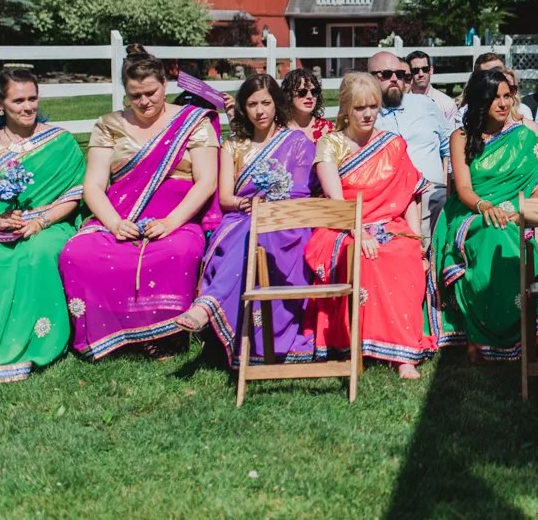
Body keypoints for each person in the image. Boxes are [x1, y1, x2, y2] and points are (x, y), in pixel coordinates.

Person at [60, 46, 220, 360]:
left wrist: (172, 222)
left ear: (165, 85)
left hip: (176, 218)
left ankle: (165, 336)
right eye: (136, 96)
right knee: (76, 253)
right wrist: (114, 224)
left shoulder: (193, 122)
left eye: (151, 92)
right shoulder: (110, 124)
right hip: (121, 216)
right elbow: (93, 185)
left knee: (179, 251)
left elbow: (206, 181)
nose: (145, 101)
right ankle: (109, 335)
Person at [0, 69, 86, 385]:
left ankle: (42, 338)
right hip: (2, 224)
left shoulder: (61, 141)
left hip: (52, 223)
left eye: (33, 98)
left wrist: (40, 221)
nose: (28, 107)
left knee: (37, 252)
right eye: (18, 100)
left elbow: (74, 196)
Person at [173, 75, 318, 365]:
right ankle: (213, 310)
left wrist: (273, 207)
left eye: (266, 102)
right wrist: (247, 203)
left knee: (258, 232)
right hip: (243, 217)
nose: (260, 110)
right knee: (249, 232)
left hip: (289, 221)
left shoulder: (298, 143)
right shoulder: (233, 146)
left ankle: (209, 304)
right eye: (252, 104)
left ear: (277, 104)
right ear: (243, 108)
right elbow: (226, 198)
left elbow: (303, 191)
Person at [305, 73, 435, 379]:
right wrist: (358, 230)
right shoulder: (330, 144)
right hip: (343, 226)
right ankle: (363, 342)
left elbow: (410, 197)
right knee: (368, 256)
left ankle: (404, 356)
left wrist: (416, 240)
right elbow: (336, 202)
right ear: (346, 109)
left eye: (373, 107)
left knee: (403, 253)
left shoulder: (392, 143)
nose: (367, 114)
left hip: (390, 225)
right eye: (360, 107)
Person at [427, 69, 538, 360]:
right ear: (480, 101)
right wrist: (486, 207)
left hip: (516, 215)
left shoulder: (525, 137)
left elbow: (534, 190)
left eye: (507, 96)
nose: (503, 103)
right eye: (495, 97)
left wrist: (521, 214)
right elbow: (464, 188)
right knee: (494, 230)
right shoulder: (461, 136)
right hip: (469, 213)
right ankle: (509, 328)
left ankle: (521, 326)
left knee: (505, 230)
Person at [369, 51, 453, 244]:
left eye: (399, 75)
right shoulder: (366, 114)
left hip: (434, 194)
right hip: (389, 200)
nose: (394, 79)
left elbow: (451, 146)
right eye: (386, 74)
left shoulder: (424, 105)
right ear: (370, 78)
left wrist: (451, 185)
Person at [281, 68, 336, 143]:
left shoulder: (330, 130)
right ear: (288, 95)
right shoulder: (278, 130)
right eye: (302, 92)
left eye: (314, 92)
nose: (310, 96)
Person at [406, 50, 458, 122]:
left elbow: (453, 132)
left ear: (431, 70)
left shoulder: (447, 104)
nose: (421, 74)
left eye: (425, 69)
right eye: (415, 70)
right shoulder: (402, 102)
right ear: (409, 72)